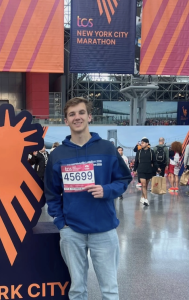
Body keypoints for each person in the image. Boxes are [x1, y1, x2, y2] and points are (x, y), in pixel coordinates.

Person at [45, 97, 132, 300]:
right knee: (77, 289)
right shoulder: (57, 155)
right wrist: (60, 222)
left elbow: (124, 179)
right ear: (65, 120)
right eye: (72, 114)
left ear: (89, 116)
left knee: (109, 290)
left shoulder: (107, 149)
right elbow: (51, 192)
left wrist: (107, 189)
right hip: (72, 231)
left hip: (104, 229)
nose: (77, 117)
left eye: (81, 112)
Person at [133, 138, 160, 206]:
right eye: (141, 143)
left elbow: (154, 161)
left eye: (143, 143)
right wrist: (134, 170)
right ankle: (146, 199)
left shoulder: (151, 152)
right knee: (144, 185)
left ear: (147, 143)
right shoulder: (139, 152)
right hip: (141, 170)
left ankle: (142, 197)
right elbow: (136, 162)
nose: (141, 144)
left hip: (149, 170)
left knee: (146, 186)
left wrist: (157, 168)